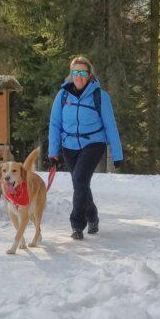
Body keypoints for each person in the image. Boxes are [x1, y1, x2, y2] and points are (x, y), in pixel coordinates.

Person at [48, 55, 123, 240]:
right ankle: (93, 216)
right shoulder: (63, 95)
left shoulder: (100, 96)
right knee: (80, 184)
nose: (78, 76)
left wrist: (117, 154)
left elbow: (110, 126)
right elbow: (55, 123)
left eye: (82, 72)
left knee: (80, 180)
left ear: (89, 74)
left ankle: (77, 225)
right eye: (75, 72)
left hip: (93, 143)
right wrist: (53, 151)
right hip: (69, 145)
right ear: (70, 74)